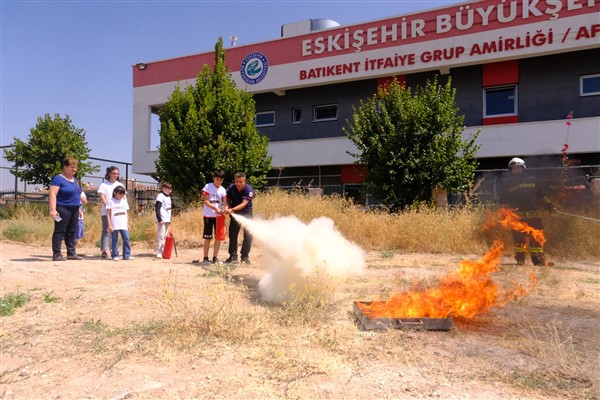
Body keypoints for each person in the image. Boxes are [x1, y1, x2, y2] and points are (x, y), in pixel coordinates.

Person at [500, 157, 555, 266]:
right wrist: (504, 215)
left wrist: (549, 206)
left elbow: (541, 196)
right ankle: (520, 260)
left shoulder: (533, 179)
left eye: (518, 167)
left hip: (534, 216)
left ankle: (538, 260)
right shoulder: (507, 183)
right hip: (517, 217)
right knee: (518, 240)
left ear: (523, 168)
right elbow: (503, 201)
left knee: (536, 238)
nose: (516, 170)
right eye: (513, 168)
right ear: (510, 170)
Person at [48, 157, 84, 261]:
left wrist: (79, 209)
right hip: (62, 208)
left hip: (74, 209)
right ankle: (57, 254)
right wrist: (53, 209)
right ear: (65, 167)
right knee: (60, 231)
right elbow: (52, 194)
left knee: (72, 231)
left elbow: (76, 195)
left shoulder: (74, 180)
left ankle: (71, 253)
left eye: (76, 167)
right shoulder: (58, 179)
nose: (74, 169)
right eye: (72, 167)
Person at [224, 172, 254, 264]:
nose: (238, 184)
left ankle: (244, 257)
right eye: (237, 181)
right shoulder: (230, 188)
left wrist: (231, 209)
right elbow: (227, 199)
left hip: (246, 214)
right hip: (234, 214)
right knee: (233, 235)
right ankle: (233, 256)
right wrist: (227, 207)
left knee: (248, 236)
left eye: (240, 181)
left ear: (244, 181)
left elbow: (244, 203)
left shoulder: (249, 190)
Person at [200, 170, 227, 265]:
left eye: (220, 180)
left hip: (218, 217)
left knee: (218, 237)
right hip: (208, 216)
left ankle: (215, 257)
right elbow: (206, 201)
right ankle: (205, 258)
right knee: (208, 237)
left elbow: (225, 202)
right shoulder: (208, 186)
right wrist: (215, 208)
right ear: (213, 178)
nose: (218, 181)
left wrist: (226, 209)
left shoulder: (223, 190)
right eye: (217, 179)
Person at [97, 166, 125, 259]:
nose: (115, 175)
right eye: (114, 173)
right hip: (107, 212)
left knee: (116, 232)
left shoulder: (120, 185)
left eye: (117, 174)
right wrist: (109, 207)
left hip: (118, 213)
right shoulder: (104, 185)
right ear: (109, 174)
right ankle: (104, 250)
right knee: (106, 230)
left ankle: (114, 250)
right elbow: (102, 197)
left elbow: (124, 198)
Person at [106, 185, 133, 261]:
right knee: (114, 240)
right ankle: (115, 255)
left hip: (123, 223)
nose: (121, 196)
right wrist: (110, 225)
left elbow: (126, 212)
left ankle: (126, 255)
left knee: (126, 238)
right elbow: (108, 214)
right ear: (115, 193)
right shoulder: (111, 201)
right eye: (120, 194)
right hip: (114, 224)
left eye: (122, 194)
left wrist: (127, 223)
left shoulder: (124, 201)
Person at [155, 181, 173, 259]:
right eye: (168, 189)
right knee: (161, 236)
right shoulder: (160, 196)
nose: (169, 190)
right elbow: (157, 208)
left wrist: (170, 219)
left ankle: (163, 251)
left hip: (167, 219)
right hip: (162, 219)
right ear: (164, 188)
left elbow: (169, 209)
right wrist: (159, 219)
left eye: (170, 189)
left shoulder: (168, 197)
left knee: (165, 236)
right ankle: (159, 252)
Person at [74, 184, 88, 249]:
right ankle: (70, 249)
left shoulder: (81, 192)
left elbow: (85, 202)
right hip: (70, 215)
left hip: (79, 217)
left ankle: (73, 249)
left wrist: (78, 194)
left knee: (78, 234)